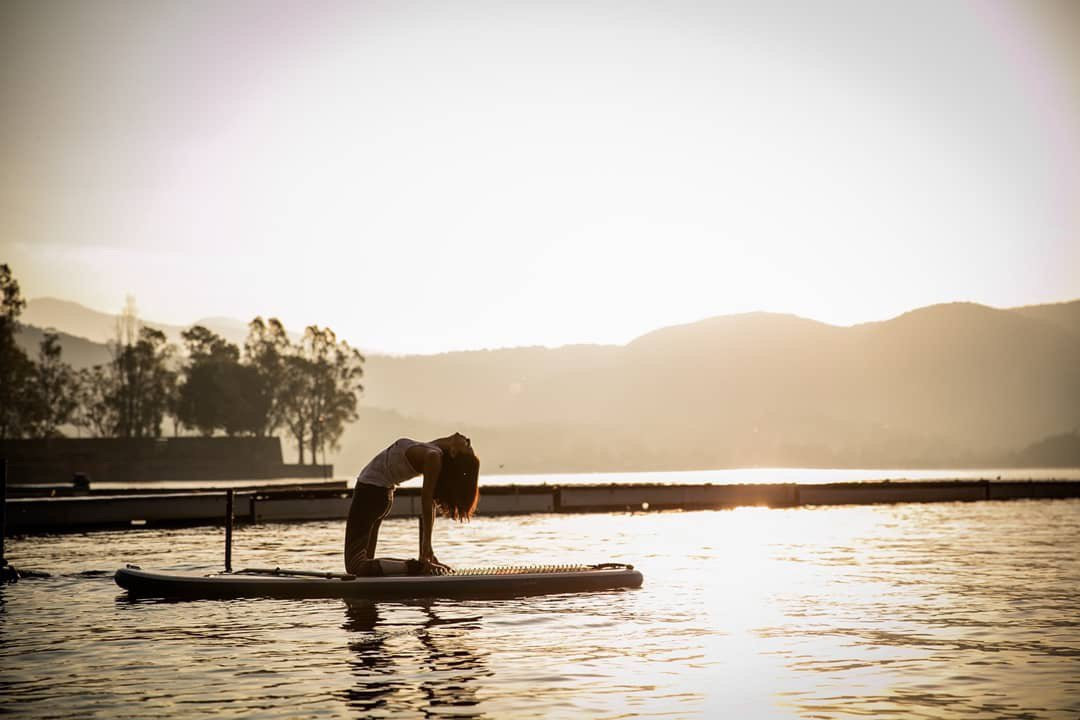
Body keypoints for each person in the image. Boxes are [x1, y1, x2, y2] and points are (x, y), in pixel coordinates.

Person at [344, 433, 480, 576]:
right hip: (378, 495)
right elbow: (430, 499)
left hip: (370, 493)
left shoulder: (433, 456)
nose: (466, 438)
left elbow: (427, 501)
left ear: (454, 452)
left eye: (467, 445)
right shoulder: (434, 448)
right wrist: (428, 550)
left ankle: (414, 567)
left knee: (355, 565)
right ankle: (414, 566)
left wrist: (426, 546)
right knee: (365, 564)